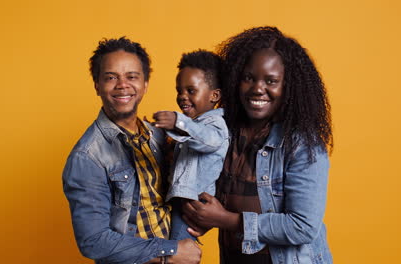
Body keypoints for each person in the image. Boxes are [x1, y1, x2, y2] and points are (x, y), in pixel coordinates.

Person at [182, 27, 334, 263]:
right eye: (249, 78)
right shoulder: (225, 132)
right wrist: (204, 218)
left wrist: (225, 220)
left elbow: (303, 226)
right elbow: (218, 192)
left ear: (288, 87)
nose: (257, 89)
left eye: (271, 81)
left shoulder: (302, 145)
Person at [62, 37, 201, 264]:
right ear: (97, 85)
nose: (122, 85)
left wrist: (197, 222)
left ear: (145, 84)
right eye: (111, 77)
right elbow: (94, 241)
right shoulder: (87, 157)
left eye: (132, 76)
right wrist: (170, 251)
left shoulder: (158, 136)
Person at [152, 50, 229, 240]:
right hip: (179, 200)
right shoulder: (193, 126)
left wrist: (179, 122)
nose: (182, 96)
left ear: (214, 95)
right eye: (179, 91)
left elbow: (207, 141)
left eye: (191, 91)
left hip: (194, 206)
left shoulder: (214, 125)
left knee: (179, 253)